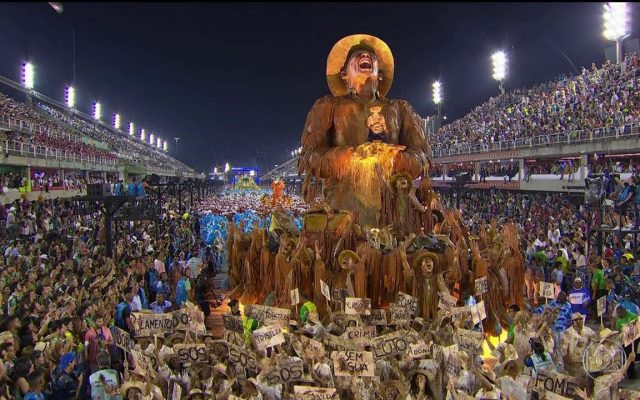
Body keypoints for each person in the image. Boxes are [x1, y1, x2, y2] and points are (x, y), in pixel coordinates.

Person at [561, 313, 596, 378]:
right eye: (576, 320)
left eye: (581, 319)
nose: (579, 321)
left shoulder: (588, 331)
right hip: (573, 364)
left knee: (585, 383)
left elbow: (594, 344)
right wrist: (566, 364)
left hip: (585, 362)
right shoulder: (568, 333)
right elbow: (564, 351)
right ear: (572, 321)